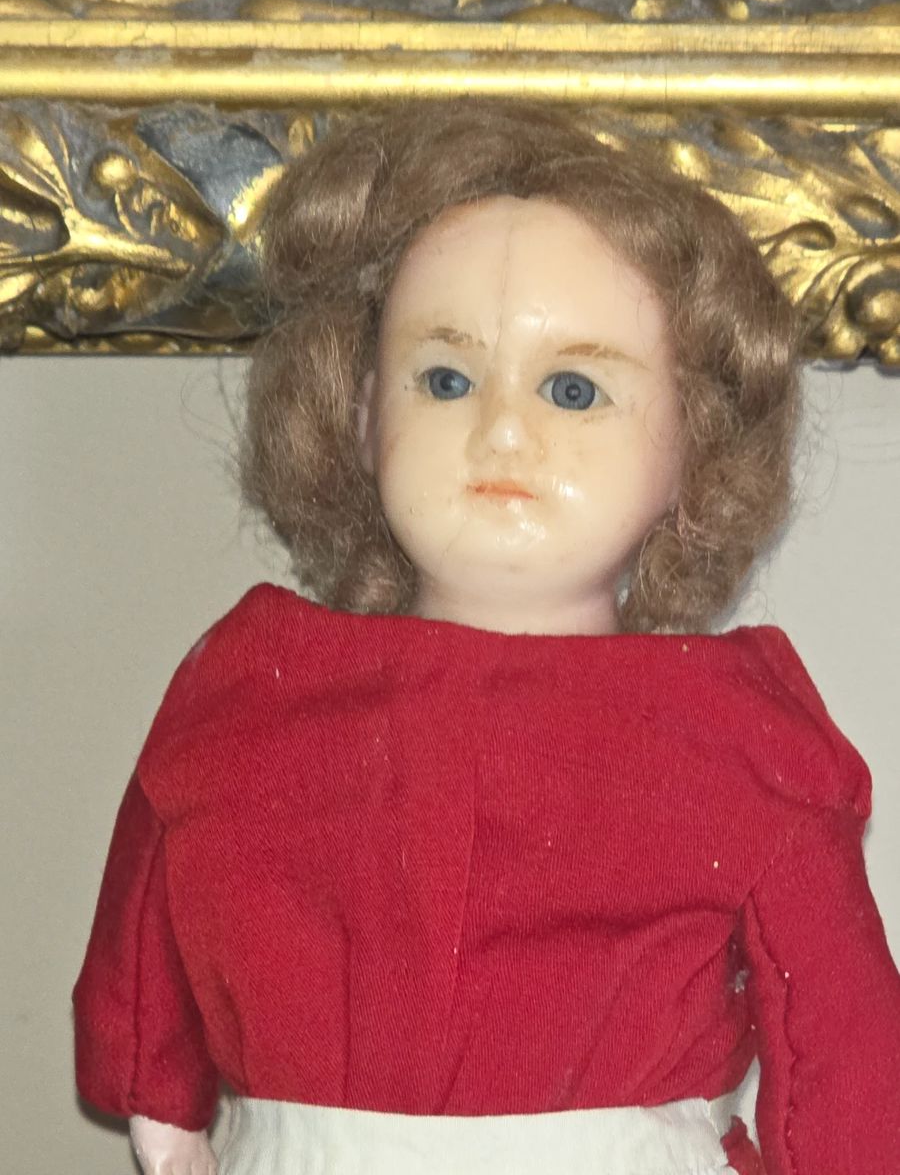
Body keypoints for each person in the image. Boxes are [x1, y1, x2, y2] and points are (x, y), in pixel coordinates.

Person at [73, 101, 900, 1175]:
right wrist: (158, 1100)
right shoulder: (249, 689)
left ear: (691, 443)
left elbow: (839, 1026)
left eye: (574, 389)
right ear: (361, 413)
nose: (502, 430)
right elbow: (147, 909)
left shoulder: (740, 739)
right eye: (446, 379)